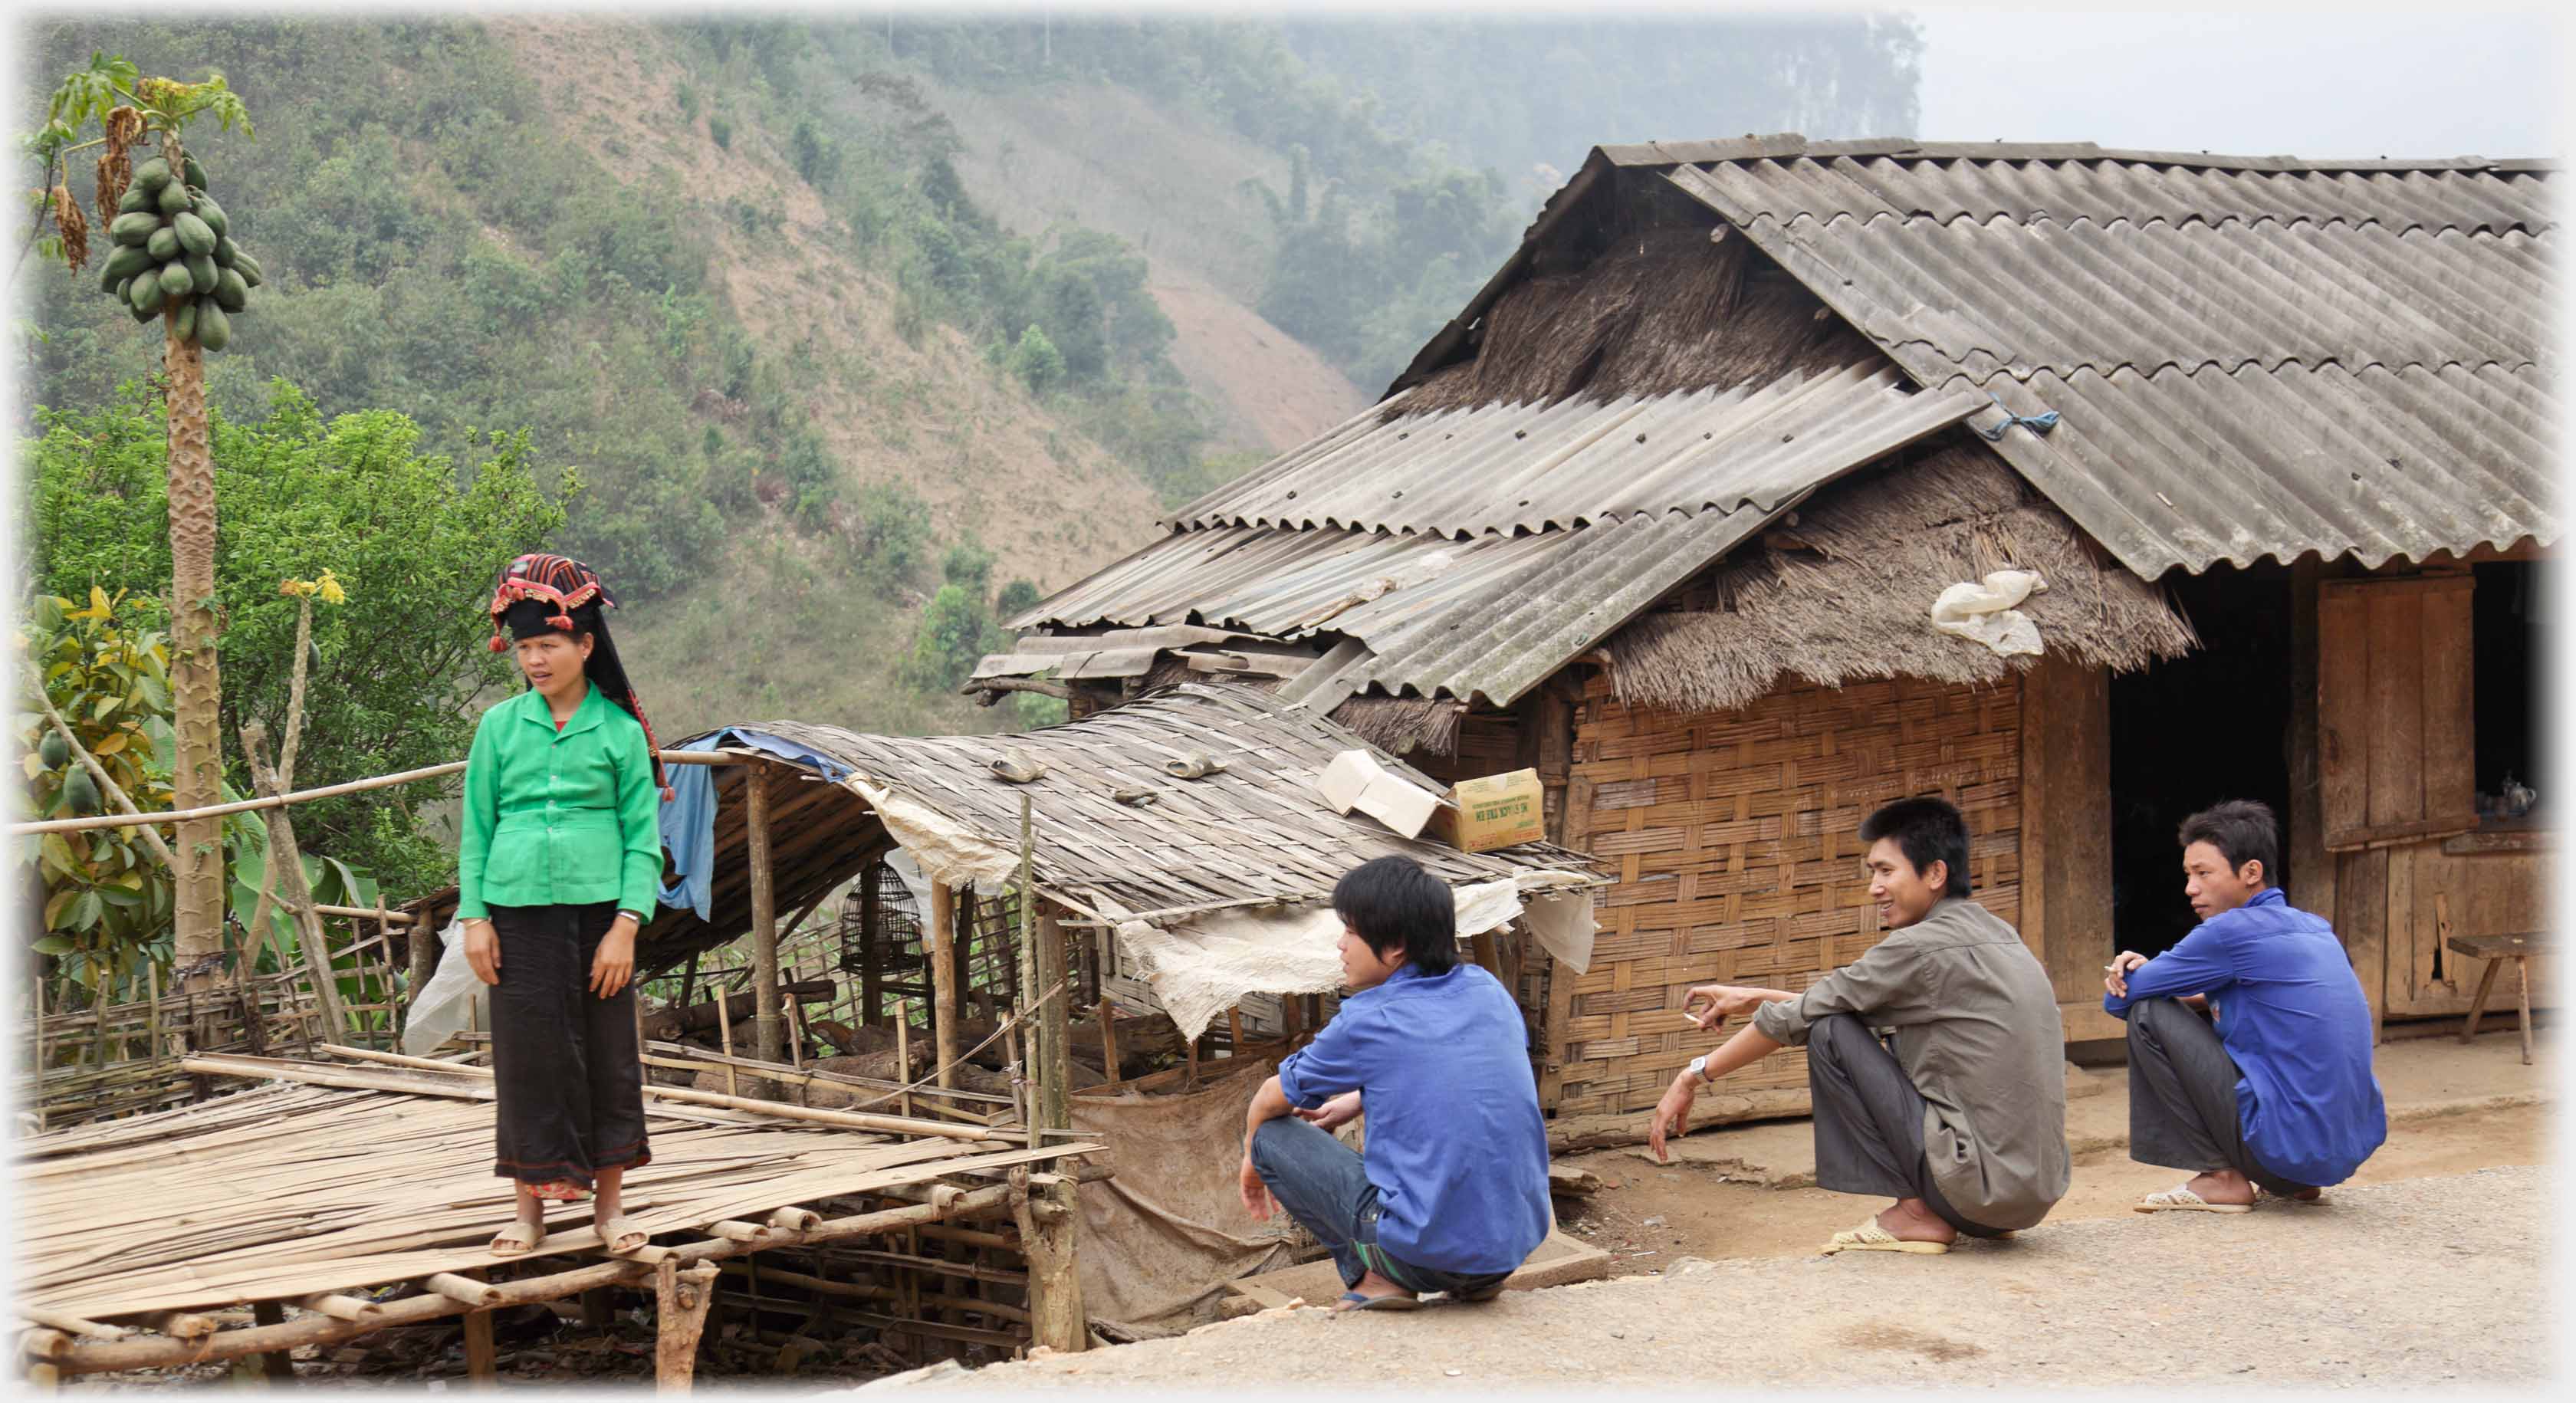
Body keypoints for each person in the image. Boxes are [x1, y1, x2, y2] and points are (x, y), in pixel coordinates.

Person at [1648, 796, 2068, 1254]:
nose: (1874, 888)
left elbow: (1821, 1018)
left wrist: (1694, 1074)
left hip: (1974, 1190)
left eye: (1886, 871)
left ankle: (1914, 1213)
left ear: (1934, 874)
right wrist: (1754, 997)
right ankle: (1938, 1207)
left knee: (1827, 1035)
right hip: (2027, 1196)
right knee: (1830, 1023)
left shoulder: (1916, 947)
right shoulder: (2002, 936)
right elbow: (1842, 1004)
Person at [458, 554, 673, 1257]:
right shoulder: (498, 729)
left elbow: (643, 840)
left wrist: (626, 926)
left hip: (599, 917)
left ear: (585, 646)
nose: (535, 660)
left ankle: (610, 1213)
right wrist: (475, 918)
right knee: (526, 1058)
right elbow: (477, 829)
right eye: (523, 648)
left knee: (607, 1058)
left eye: (548, 645)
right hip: (515, 915)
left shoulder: (619, 734)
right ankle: (528, 1214)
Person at [1237, 856, 1552, 1311]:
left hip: (1419, 1258)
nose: (1340, 945)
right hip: (1508, 1249)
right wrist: (1356, 1101)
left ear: (1396, 945)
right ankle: (1472, 1280)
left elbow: (1269, 1099)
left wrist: (1251, 1159)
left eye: (1351, 932)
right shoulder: (1487, 992)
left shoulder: (1370, 1019)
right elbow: (1453, 1075)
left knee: (1272, 1137)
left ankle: (1378, 1277)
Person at [2104, 800, 2385, 1212]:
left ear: (2251, 872)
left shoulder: (2229, 930)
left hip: (2284, 1151)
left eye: (2203, 873)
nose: (2190, 888)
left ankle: (2220, 1177)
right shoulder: (2314, 926)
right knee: (2196, 1007)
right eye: (2188, 875)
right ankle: (2294, 1185)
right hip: (2336, 1157)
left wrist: (2135, 971)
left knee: (2149, 1014)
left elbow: (2120, 999)